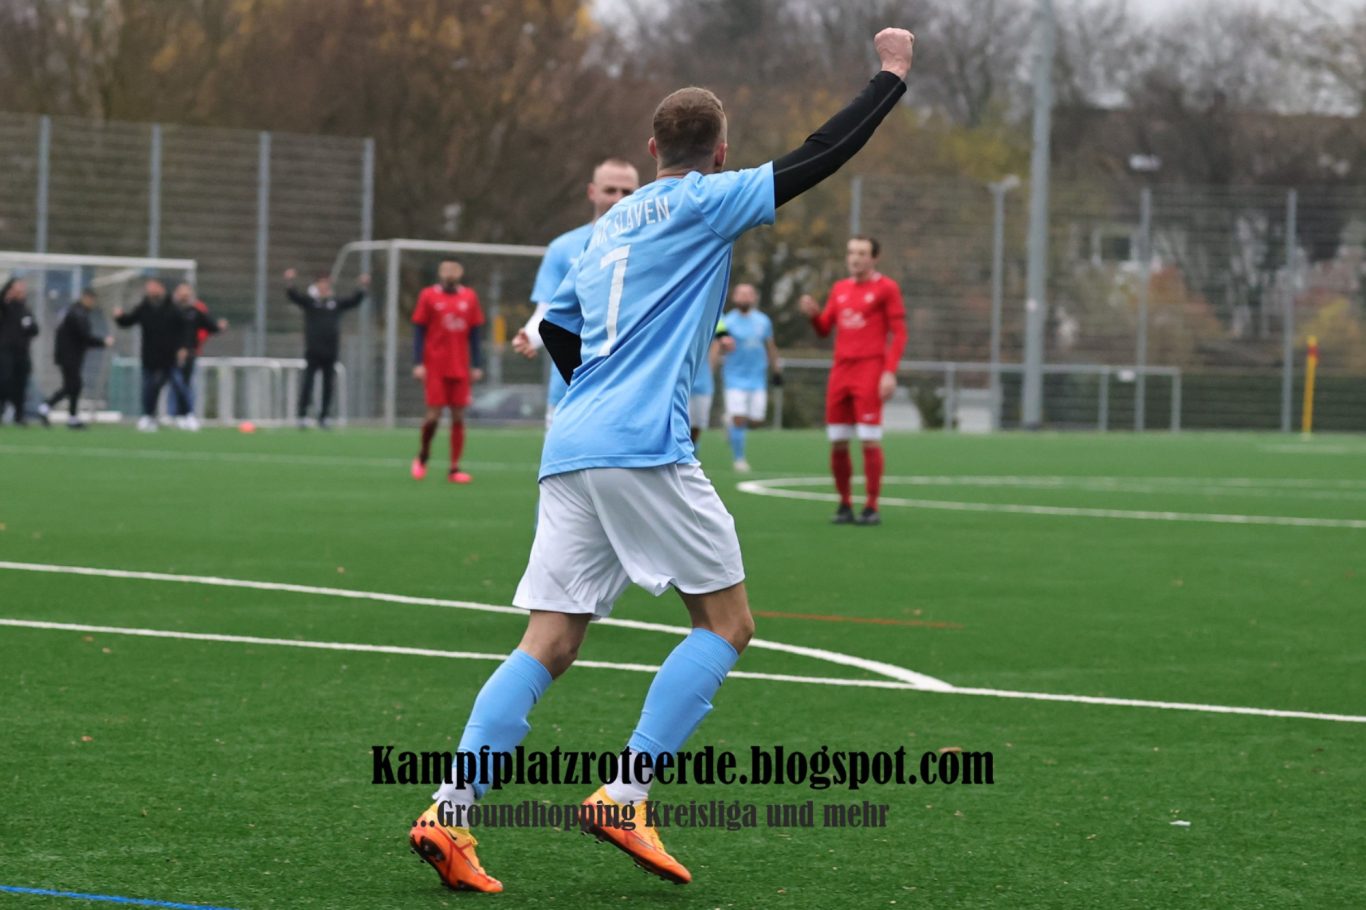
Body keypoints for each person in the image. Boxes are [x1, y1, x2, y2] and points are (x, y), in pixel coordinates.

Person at [408, 27, 915, 893]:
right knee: (726, 624)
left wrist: (601, 390)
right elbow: (821, 153)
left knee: (551, 639)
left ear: (649, 151)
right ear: (719, 154)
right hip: (642, 446)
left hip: (571, 446)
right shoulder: (706, 200)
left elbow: (559, 327)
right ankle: (626, 793)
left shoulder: (601, 233)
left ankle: (450, 811)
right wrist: (891, 76)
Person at [512, 158, 640, 427]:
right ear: (592, 192)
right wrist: (530, 337)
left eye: (627, 192)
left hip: (631, 389)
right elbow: (547, 312)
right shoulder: (562, 248)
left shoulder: (651, 244)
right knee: (558, 470)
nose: (618, 199)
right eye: (610, 190)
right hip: (569, 389)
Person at [798, 235, 907, 526]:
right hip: (840, 371)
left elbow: (899, 333)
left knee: (869, 439)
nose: (855, 258)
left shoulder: (886, 289)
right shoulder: (840, 289)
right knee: (838, 441)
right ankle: (844, 503)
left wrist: (889, 371)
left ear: (874, 258)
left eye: (861, 253)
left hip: (869, 370)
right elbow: (824, 329)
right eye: (851, 253)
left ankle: (871, 506)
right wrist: (813, 315)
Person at [411, 258, 484, 483]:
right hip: (435, 365)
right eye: (445, 268)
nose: (450, 272)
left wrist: (477, 364)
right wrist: (418, 362)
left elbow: (475, 334)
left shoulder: (469, 297)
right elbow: (418, 331)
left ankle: (454, 468)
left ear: (460, 272)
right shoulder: (428, 296)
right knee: (433, 415)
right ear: (440, 272)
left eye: (454, 269)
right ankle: (423, 455)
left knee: (458, 415)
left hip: (460, 365)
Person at [284, 268, 369, 429]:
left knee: (328, 385)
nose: (324, 286)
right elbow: (294, 296)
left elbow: (354, 301)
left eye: (326, 283)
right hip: (313, 351)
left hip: (330, 351)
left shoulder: (335, 303)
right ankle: (302, 414)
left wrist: (362, 287)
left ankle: (324, 416)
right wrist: (289, 282)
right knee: (308, 383)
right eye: (321, 283)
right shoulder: (311, 302)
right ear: (317, 285)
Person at [721, 283, 782, 472]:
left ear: (754, 297)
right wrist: (724, 345)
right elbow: (719, 345)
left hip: (757, 378)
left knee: (755, 421)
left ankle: (729, 422)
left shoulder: (763, 321)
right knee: (740, 419)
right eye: (741, 294)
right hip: (734, 377)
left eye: (748, 294)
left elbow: (770, 346)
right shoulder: (726, 321)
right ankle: (739, 459)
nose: (745, 297)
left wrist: (776, 370)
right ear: (734, 298)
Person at [114, 279, 189, 432]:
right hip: (149, 356)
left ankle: (186, 416)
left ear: (160, 288)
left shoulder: (172, 308)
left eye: (152, 287)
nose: (149, 290)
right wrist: (120, 317)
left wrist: (182, 347)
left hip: (169, 357)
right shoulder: (144, 308)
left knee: (178, 386)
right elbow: (128, 321)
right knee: (149, 388)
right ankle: (148, 416)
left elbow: (183, 329)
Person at [43, 289, 113, 429]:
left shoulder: (74, 311)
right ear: (86, 298)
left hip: (70, 355)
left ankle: (69, 416)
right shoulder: (77, 313)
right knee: (72, 385)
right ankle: (47, 407)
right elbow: (84, 336)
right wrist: (103, 342)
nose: (93, 303)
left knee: (73, 386)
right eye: (91, 299)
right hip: (69, 355)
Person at [167, 283, 228, 431]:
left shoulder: (195, 312)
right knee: (175, 385)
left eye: (186, 292)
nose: (184, 295)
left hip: (190, 353)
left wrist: (219, 327)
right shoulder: (169, 311)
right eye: (181, 292)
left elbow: (210, 326)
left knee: (186, 385)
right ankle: (174, 415)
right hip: (169, 354)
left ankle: (188, 415)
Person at [0, 278, 39, 425]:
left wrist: (29, 327)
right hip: (6, 351)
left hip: (22, 352)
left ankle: (19, 415)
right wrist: (6, 294)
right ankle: (2, 410)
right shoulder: (6, 306)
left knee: (21, 384)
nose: (22, 290)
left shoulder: (26, 309)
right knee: (4, 381)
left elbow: (35, 330)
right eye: (18, 287)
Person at [689, 319, 732, 444]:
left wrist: (725, 344)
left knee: (697, 426)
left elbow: (723, 339)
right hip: (679, 383)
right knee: (682, 425)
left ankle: (691, 459)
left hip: (703, 382)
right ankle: (681, 461)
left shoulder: (717, 315)